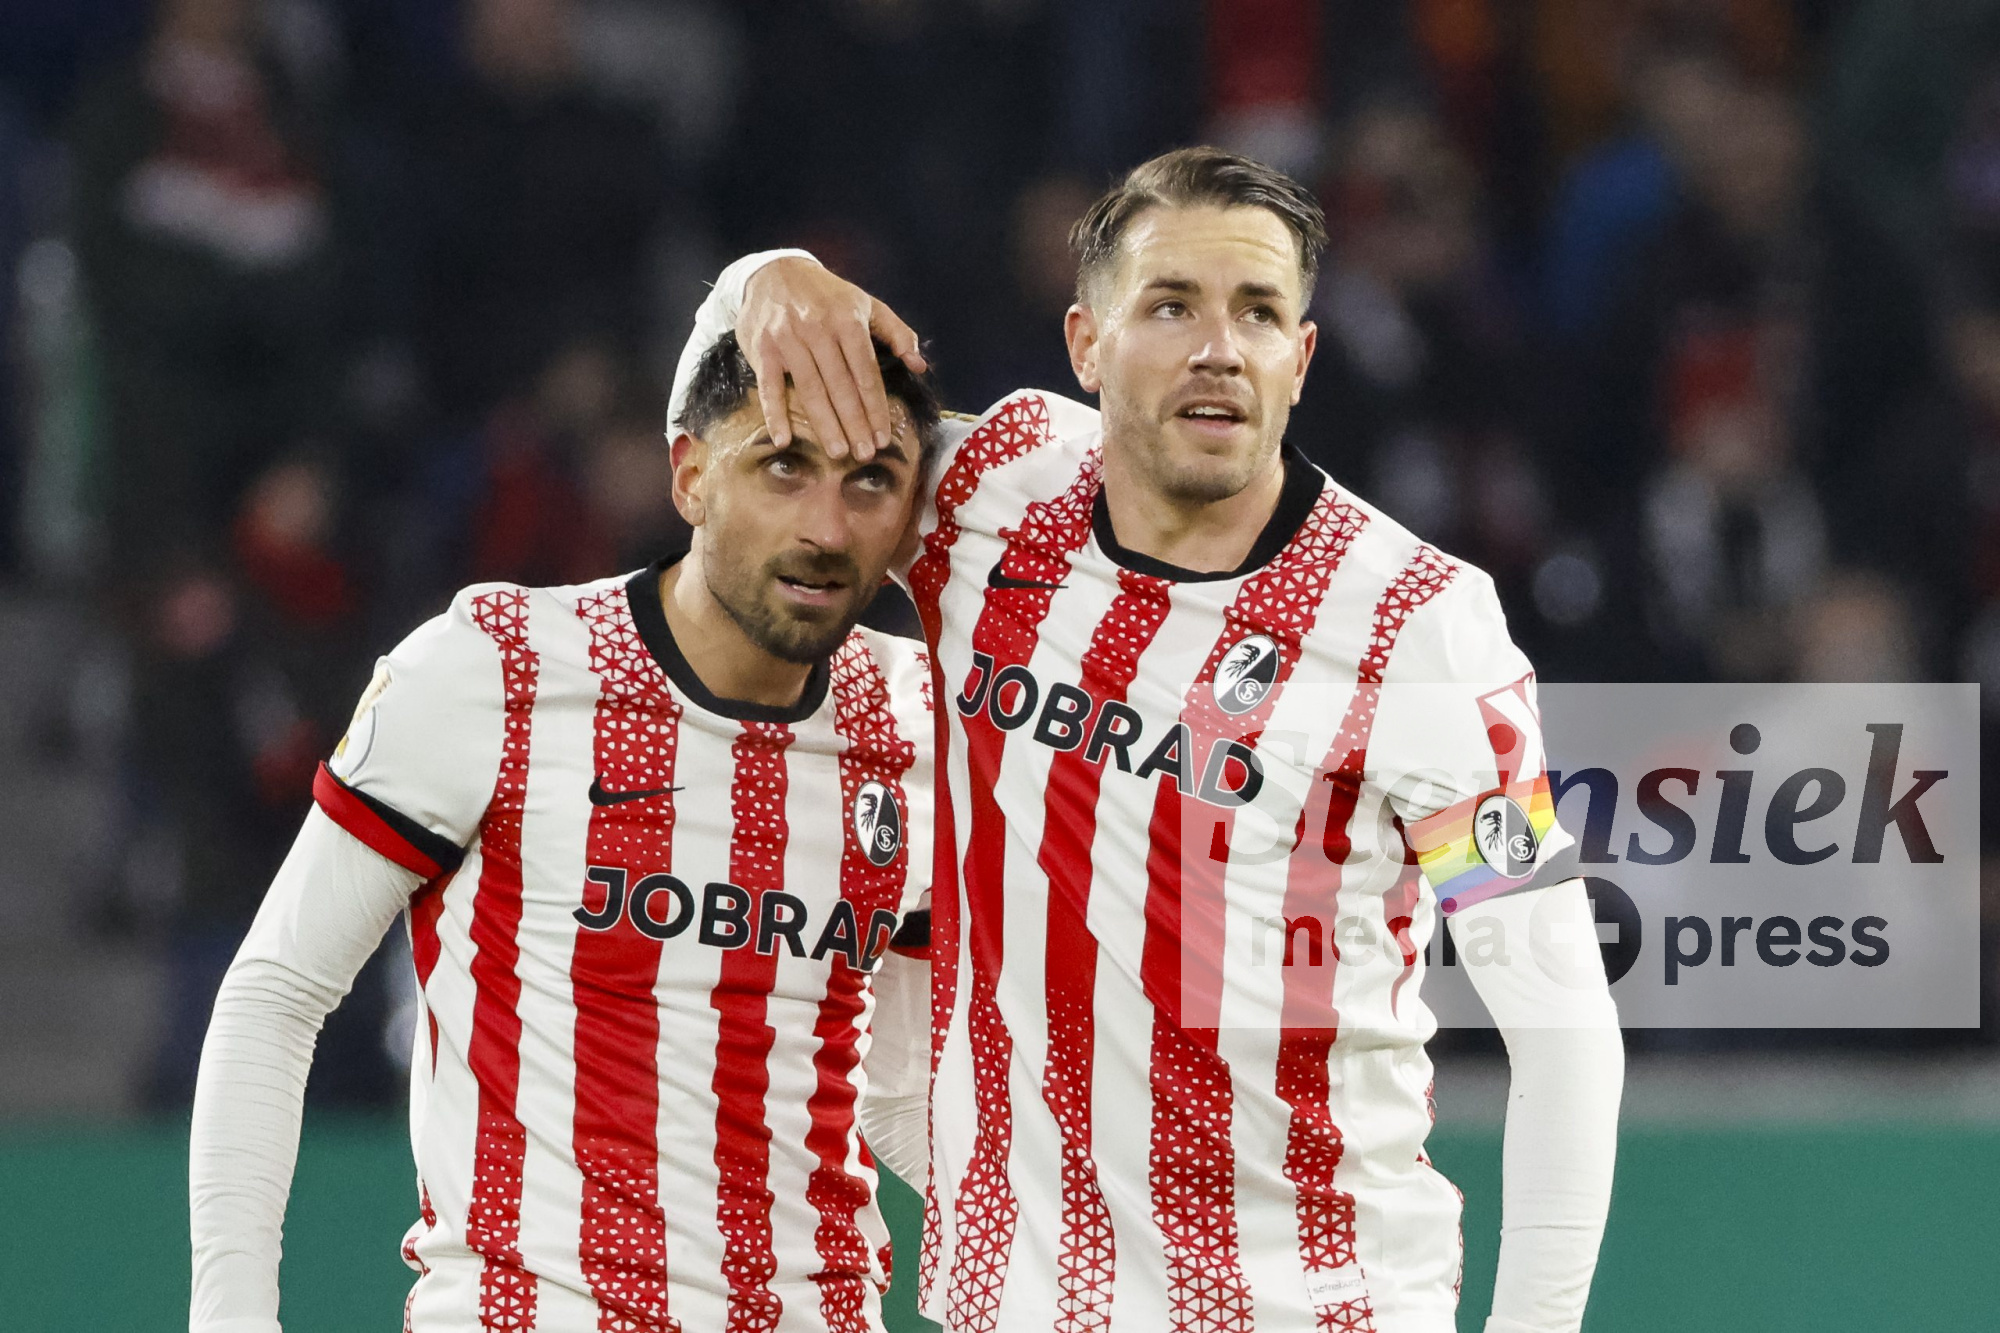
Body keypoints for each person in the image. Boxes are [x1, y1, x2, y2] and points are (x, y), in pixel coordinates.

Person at [672, 148, 1624, 1333]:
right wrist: (759, 278)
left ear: (1299, 360)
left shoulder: (1416, 628)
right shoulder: (991, 492)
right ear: (1085, 343)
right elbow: (724, 446)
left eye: (1258, 313)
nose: (1217, 347)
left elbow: (1560, 1026)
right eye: (1170, 305)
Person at [188, 335, 940, 1332]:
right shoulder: (495, 668)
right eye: (783, 466)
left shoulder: (918, 724)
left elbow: (895, 1083)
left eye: (872, 480)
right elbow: (278, 992)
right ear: (690, 476)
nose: (827, 525)